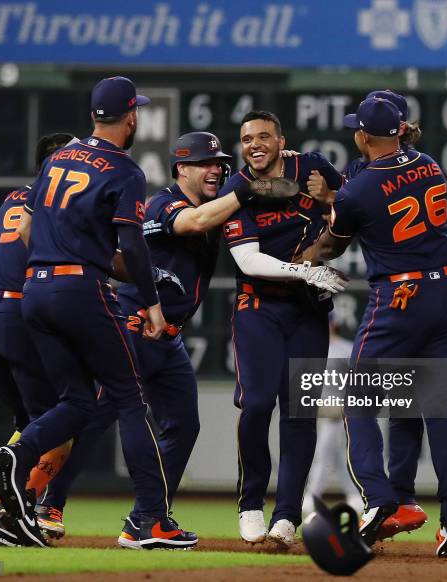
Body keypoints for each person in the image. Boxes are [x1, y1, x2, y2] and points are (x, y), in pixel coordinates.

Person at [31, 131, 292, 541]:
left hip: (169, 339)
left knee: (184, 424)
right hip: (133, 326)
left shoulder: (216, 205)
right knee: (93, 417)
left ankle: (148, 517)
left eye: (219, 162)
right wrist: (246, 185)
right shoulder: (162, 204)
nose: (215, 169)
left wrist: (282, 167)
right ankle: (46, 502)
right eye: (205, 162)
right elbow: (196, 222)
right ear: (181, 169)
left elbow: (260, 203)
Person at [0, 76, 198, 550]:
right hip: (79, 288)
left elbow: (28, 227)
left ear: (92, 116)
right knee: (129, 399)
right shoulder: (125, 170)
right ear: (131, 117)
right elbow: (132, 244)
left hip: (35, 289)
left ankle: (18, 454)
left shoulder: (55, 161)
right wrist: (150, 303)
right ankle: (150, 523)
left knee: (78, 402)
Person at [307, 90, 447, 541]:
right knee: (431, 405)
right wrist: (338, 194)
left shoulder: (360, 188)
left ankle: (380, 500)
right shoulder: (430, 164)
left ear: (364, 135)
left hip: (402, 297)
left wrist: (305, 253)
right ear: (402, 130)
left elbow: (333, 243)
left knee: (357, 399)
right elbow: (375, 194)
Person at [220, 110, 348, 548]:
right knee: (257, 404)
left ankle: (287, 515)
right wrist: (306, 272)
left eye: (263, 136)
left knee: (299, 413)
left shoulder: (311, 166)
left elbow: (356, 208)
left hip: (308, 312)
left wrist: (331, 195)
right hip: (258, 308)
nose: (254, 144)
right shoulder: (237, 188)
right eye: (246, 138)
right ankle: (251, 503)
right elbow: (248, 260)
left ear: (281, 141)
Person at [0, 133, 78, 546]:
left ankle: (9, 504)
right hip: (20, 313)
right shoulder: (58, 200)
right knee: (61, 424)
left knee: (29, 424)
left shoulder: (12, 198)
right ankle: (12, 513)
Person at [301, 314, 364, 517]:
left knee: (323, 451)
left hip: (339, 408)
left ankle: (313, 494)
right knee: (335, 454)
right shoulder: (312, 347)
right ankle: (354, 495)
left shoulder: (346, 348)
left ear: (334, 324)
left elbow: (358, 378)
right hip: (319, 407)